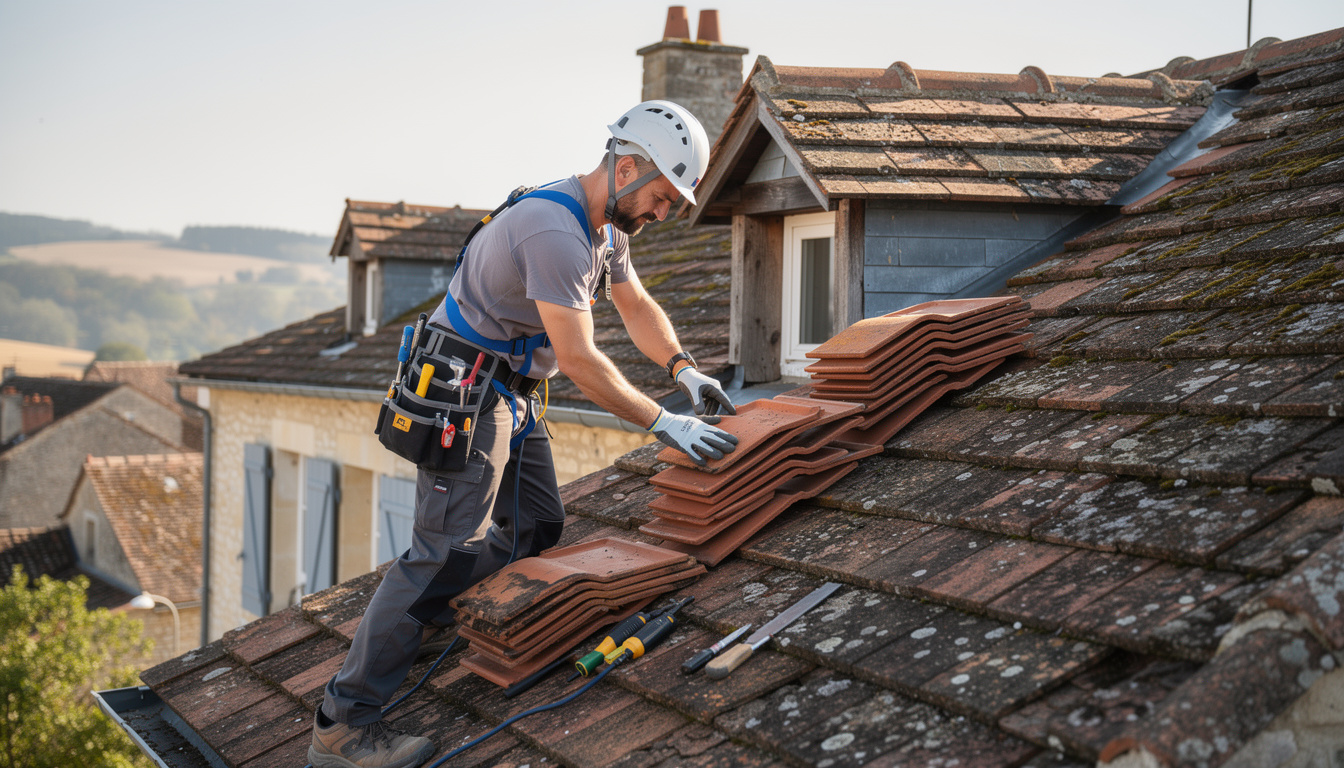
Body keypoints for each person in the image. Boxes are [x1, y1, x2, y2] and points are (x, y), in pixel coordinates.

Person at [309, 99, 738, 768]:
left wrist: (683, 371)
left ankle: (434, 616)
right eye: (659, 196)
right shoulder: (554, 232)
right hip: (466, 394)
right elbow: (581, 361)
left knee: (537, 525)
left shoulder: (604, 229)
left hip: (511, 390)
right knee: (439, 553)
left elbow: (635, 305)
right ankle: (343, 722)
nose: (661, 213)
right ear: (627, 167)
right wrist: (663, 422)